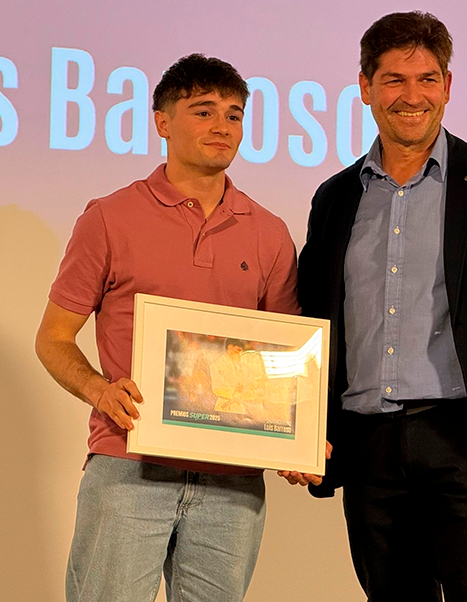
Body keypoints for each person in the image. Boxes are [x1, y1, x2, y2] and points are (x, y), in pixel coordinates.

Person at [287, 12, 467, 601]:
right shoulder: (335, 197)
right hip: (368, 449)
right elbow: (312, 328)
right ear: (365, 88)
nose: (411, 96)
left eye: (426, 79)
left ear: (448, 86)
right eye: (394, 80)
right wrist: (295, 432)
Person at [35, 53, 299, 602]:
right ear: (162, 121)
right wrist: (100, 391)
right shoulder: (109, 217)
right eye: (203, 112)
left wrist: (299, 432)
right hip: (129, 464)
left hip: (234, 478)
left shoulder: (270, 233)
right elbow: (54, 337)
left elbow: (287, 359)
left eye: (233, 114)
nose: (222, 127)